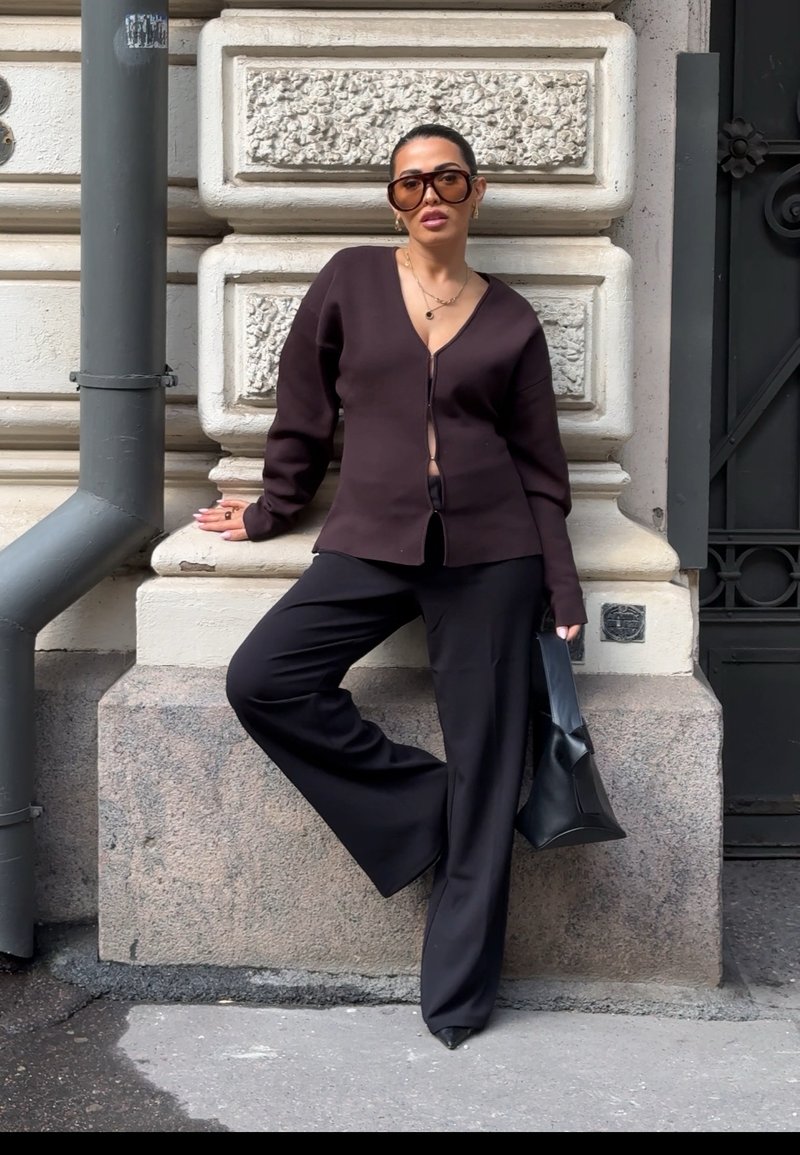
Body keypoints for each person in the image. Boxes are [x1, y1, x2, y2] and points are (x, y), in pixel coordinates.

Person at [194, 123, 586, 1051]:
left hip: (495, 554)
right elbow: (305, 407)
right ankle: (429, 810)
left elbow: (542, 467)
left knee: (493, 760)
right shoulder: (352, 279)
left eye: (446, 178)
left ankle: (456, 1000)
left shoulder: (512, 317)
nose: (428, 196)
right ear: (393, 202)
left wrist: (562, 590)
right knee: (265, 680)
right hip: (370, 539)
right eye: (409, 184)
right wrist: (268, 509)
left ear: (476, 194)